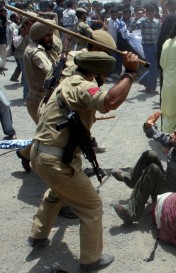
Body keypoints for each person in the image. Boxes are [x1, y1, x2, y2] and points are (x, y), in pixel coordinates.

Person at [28, 50, 140, 272]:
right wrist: (129, 72)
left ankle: (38, 235)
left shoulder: (67, 81)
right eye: (104, 77)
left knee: (57, 191)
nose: (105, 81)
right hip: (56, 161)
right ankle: (91, 260)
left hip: (39, 155)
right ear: (95, 75)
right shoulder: (82, 87)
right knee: (91, 206)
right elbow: (111, 100)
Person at [111, 111, 176, 224]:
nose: (172, 135)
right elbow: (159, 135)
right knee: (150, 154)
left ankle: (131, 212)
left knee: (153, 169)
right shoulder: (175, 144)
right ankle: (131, 179)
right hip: (165, 183)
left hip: (172, 198)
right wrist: (148, 126)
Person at [15, 21, 54, 172]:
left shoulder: (37, 47)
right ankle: (25, 153)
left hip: (40, 98)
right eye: (48, 35)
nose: (51, 38)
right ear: (39, 36)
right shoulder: (36, 52)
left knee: (48, 134)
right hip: (39, 100)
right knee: (49, 135)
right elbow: (50, 72)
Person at [135, 3, 160, 94]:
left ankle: (143, 80)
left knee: (156, 66)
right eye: (149, 13)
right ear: (146, 13)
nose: (151, 14)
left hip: (155, 45)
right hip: (146, 46)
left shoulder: (157, 22)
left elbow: (158, 34)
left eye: (152, 12)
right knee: (152, 66)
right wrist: (136, 17)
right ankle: (150, 88)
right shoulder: (142, 21)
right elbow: (134, 26)